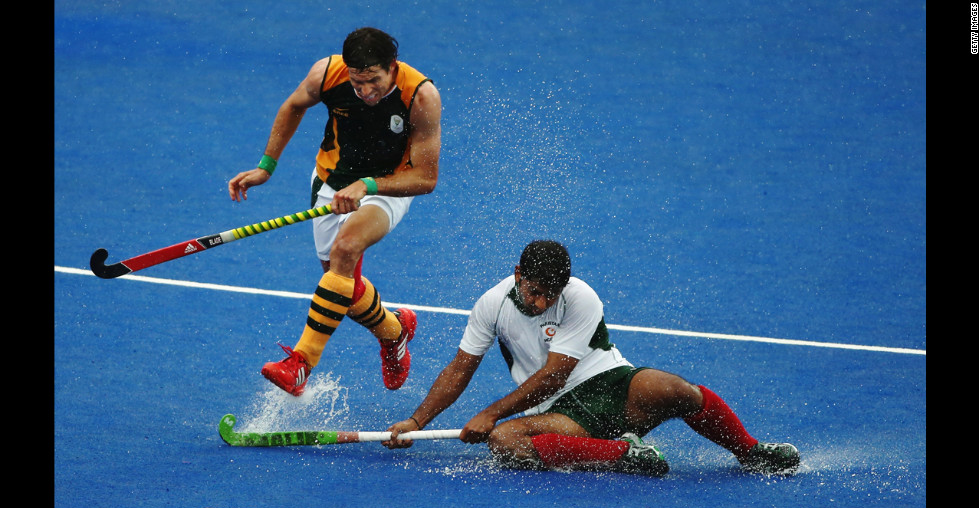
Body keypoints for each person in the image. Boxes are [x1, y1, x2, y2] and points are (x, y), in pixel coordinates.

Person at [384, 240, 800, 476]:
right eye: (535, 292)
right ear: (517, 275)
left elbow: (554, 375)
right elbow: (459, 369)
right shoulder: (491, 306)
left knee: (677, 389)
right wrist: (416, 422)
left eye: (552, 293)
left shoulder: (581, 297)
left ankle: (750, 452)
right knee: (505, 441)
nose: (543, 301)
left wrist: (489, 412)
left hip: (613, 385)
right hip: (560, 413)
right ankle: (625, 455)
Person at [228, 28, 442, 396]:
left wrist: (368, 185)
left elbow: (425, 178)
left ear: (391, 67)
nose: (365, 91)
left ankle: (300, 364)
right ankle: (395, 332)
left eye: (373, 81)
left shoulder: (420, 95)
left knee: (346, 248)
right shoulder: (327, 73)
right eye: (358, 83)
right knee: (342, 287)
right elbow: (293, 105)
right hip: (329, 182)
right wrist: (266, 166)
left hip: (387, 187)